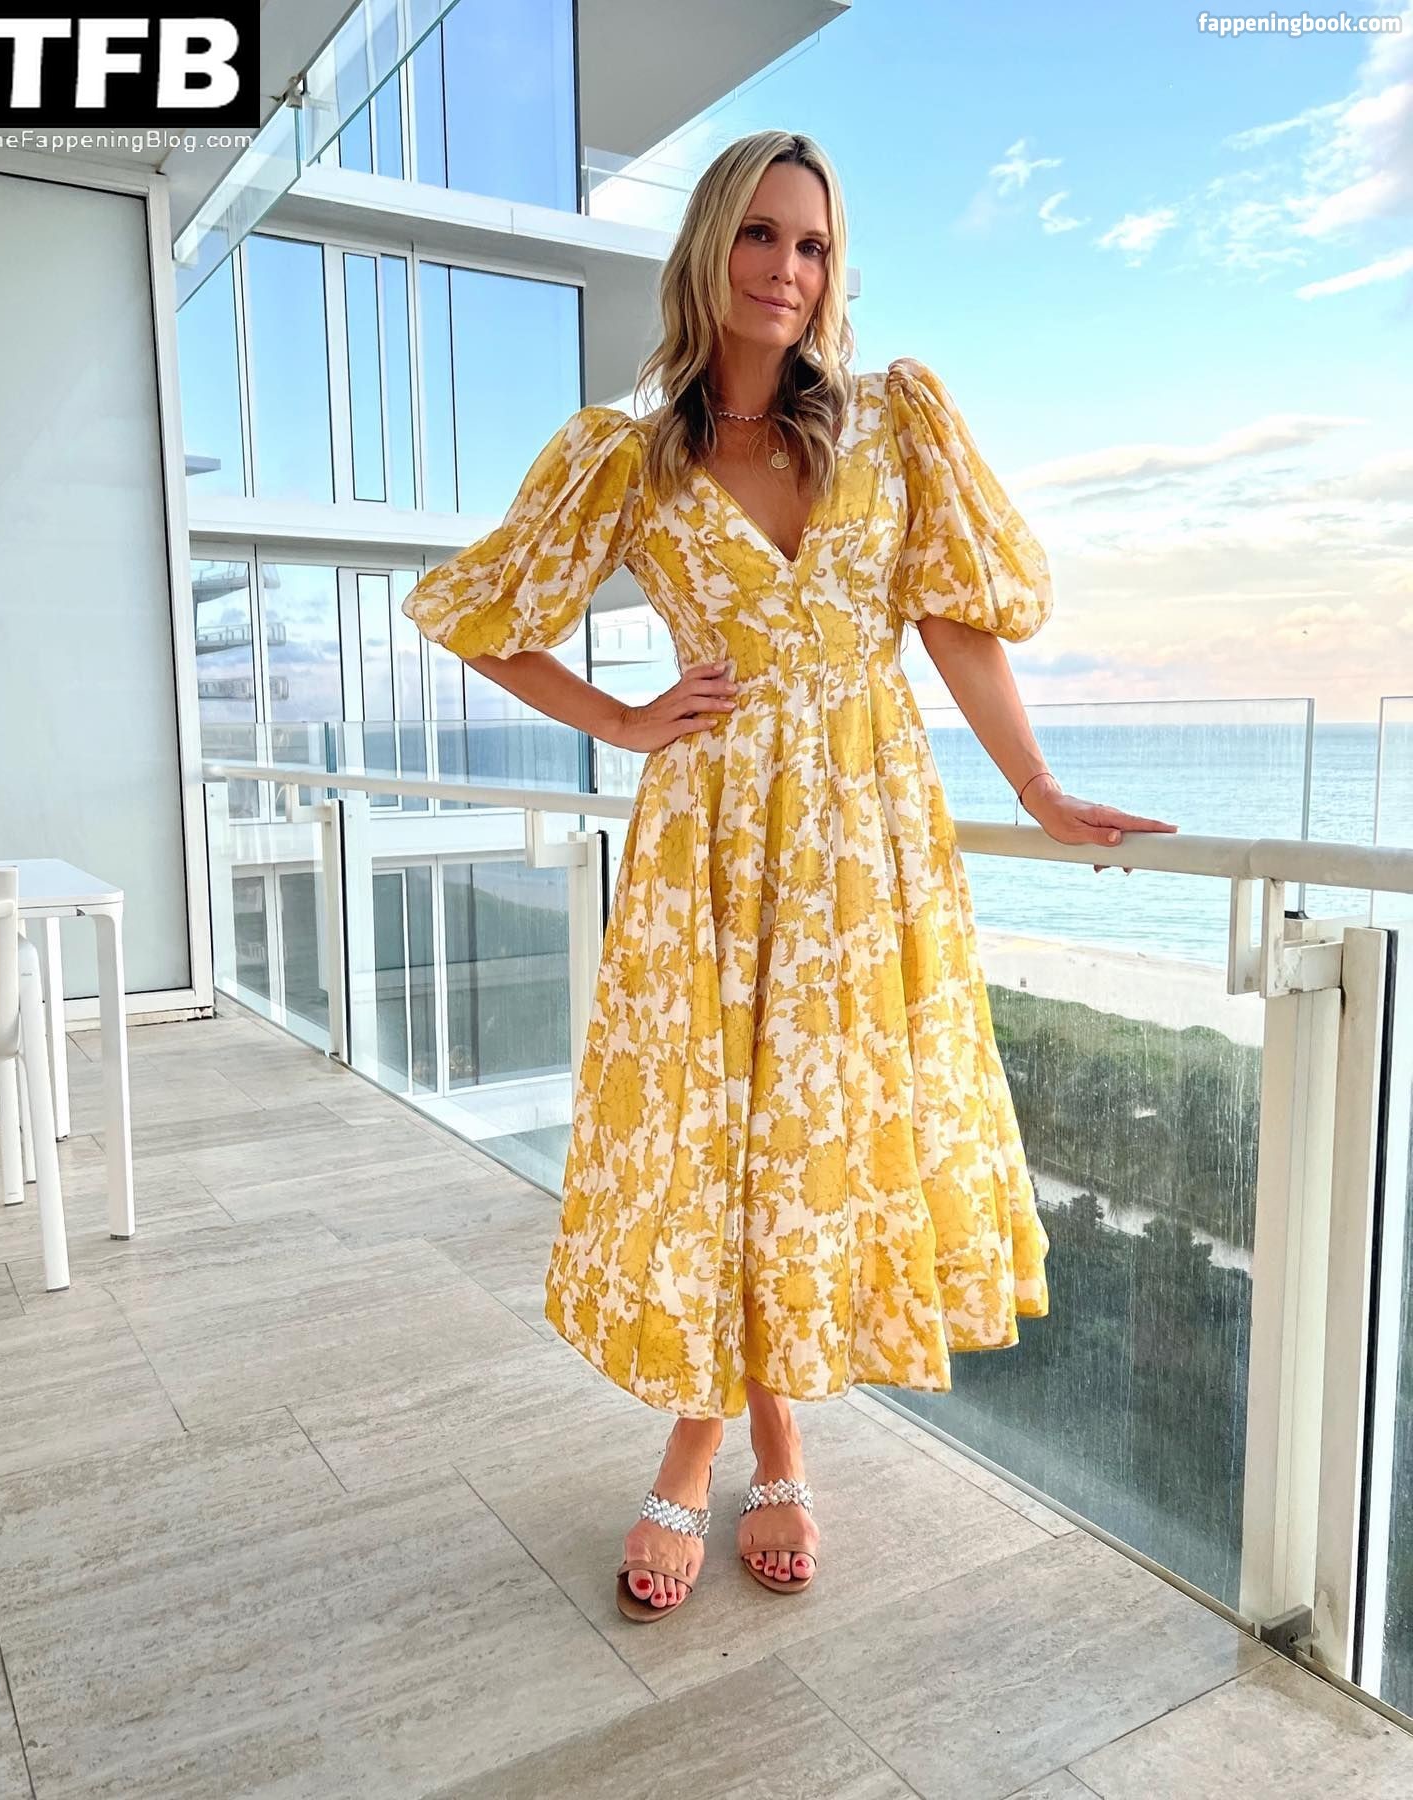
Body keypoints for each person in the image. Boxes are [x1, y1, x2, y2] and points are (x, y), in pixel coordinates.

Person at [402, 129, 1178, 1625]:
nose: (787, 269)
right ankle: (732, 1447)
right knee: (721, 1138)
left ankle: (749, 1448)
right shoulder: (629, 459)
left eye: (813, 245)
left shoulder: (892, 424)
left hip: (864, 846)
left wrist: (1035, 787)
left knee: (805, 1139)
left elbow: (952, 622)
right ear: (710, 247)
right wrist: (624, 721)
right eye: (761, 235)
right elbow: (483, 614)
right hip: (710, 846)